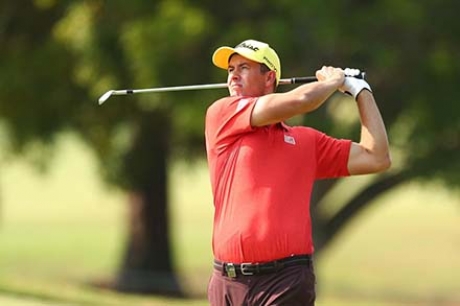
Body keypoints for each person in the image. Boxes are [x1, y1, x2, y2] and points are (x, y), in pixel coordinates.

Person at [204, 39, 391, 306]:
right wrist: (332, 82)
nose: (233, 75)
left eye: (244, 67)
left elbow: (377, 157)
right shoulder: (221, 115)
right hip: (226, 282)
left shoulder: (306, 142)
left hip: (286, 282)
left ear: (270, 78)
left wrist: (361, 92)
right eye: (231, 69)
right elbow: (302, 99)